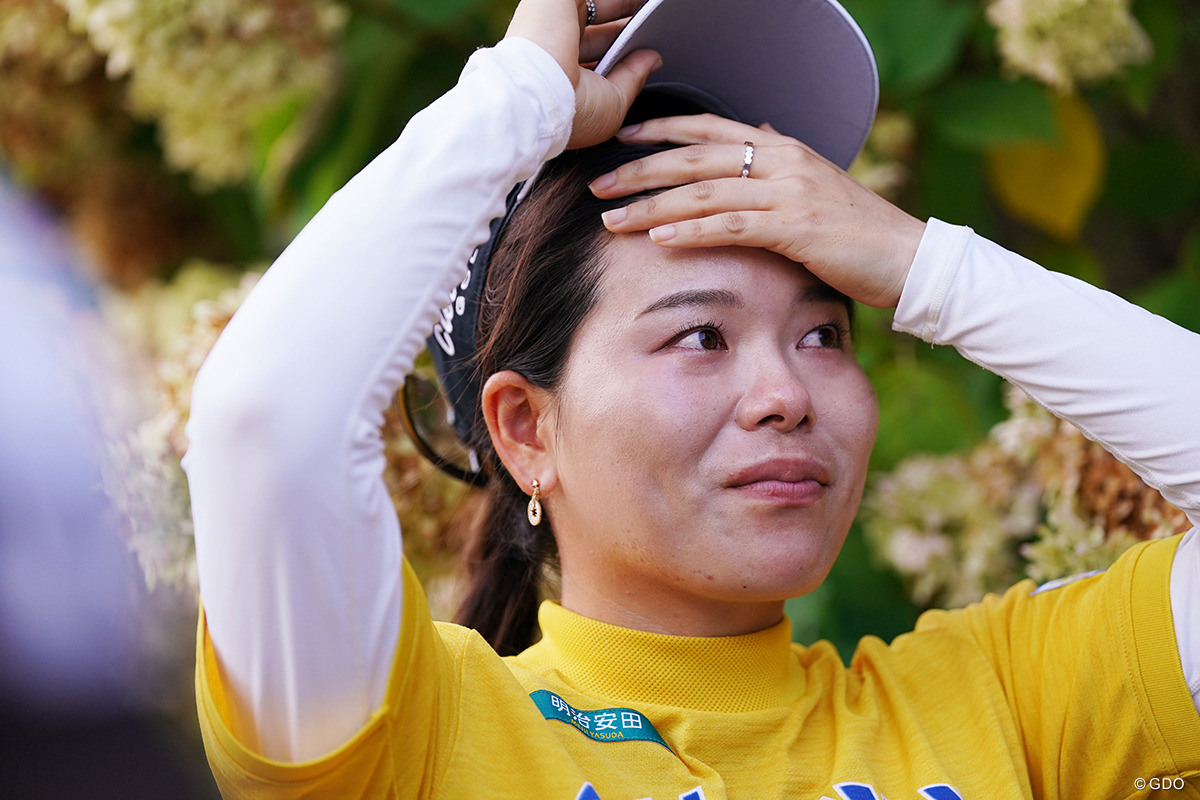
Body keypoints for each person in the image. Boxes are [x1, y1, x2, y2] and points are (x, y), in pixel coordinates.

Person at [184, 0, 1200, 796]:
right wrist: (518, 96)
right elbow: (264, 422)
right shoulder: (413, 736)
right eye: (701, 334)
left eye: (823, 332)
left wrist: (913, 257)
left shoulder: (1007, 700)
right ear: (526, 427)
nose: (785, 393)